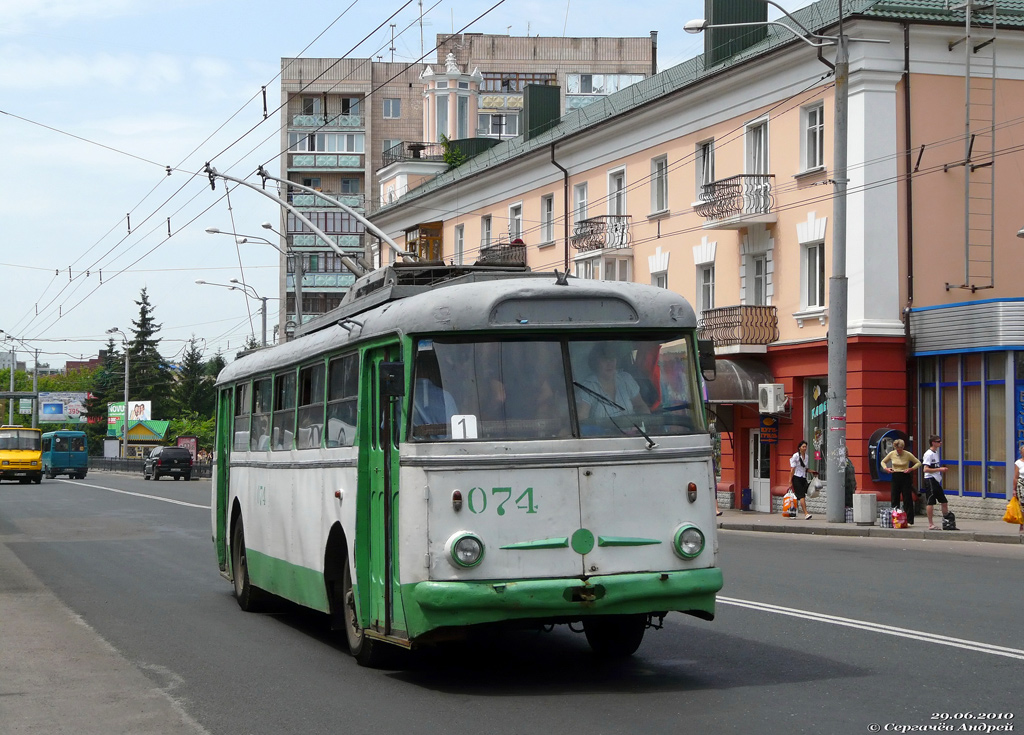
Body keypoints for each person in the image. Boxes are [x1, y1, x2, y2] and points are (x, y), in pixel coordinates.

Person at [577, 343, 650, 420]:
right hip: (602, 432)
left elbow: (640, 406)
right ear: (595, 362)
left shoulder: (626, 379)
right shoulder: (587, 387)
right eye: (605, 359)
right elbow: (582, 419)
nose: (610, 363)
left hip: (634, 431)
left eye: (612, 358)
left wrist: (646, 424)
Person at [881, 438, 922, 526]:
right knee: (895, 497)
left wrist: (911, 469)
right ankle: (895, 518)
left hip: (905, 475)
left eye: (900, 450)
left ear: (903, 448)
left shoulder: (907, 454)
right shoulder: (892, 454)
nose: (899, 451)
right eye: (897, 450)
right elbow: (883, 461)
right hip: (895, 475)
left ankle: (910, 520)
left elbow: (918, 462)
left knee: (907, 498)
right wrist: (886, 468)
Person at [922, 435, 949, 530]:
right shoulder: (928, 454)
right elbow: (925, 469)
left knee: (944, 501)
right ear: (933, 443)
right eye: (938, 441)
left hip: (936, 480)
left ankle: (947, 521)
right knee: (931, 501)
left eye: (940, 441)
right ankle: (930, 524)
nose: (940, 443)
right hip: (930, 479)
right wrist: (939, 469)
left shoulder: (936, 453)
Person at [789, 440, 816, 520]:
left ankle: (792, 512)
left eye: (805, 447)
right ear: (799, 448)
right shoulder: (796, 456)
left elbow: (804, 468)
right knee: (801, 496)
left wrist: (812, 471)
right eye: (803, 447)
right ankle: (806, 514)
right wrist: (790, 481)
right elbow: (792, 469)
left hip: (803, 478)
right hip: (796, 478)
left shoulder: (806, 457)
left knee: (799, 495)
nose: (805, 448)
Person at [1013, 443, 1024, 536]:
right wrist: (1014, 490)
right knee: (1022, 506)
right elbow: (1016, 477)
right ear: (1021, 453)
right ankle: (1022, 525)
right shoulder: (1018, 463)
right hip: (1021, 485)